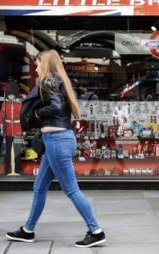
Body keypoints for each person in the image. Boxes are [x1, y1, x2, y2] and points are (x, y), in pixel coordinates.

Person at [6, 50, 106, 247]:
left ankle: (96, 231)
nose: (36, 67)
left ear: (46, 63)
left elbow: (56, 106)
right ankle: (28, 230)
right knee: (39, 187)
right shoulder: (58, 80)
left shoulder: (49, 80)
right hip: (57, 139)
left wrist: (35, 115)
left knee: (71, 189)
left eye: (38, 63)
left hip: (57, 141)